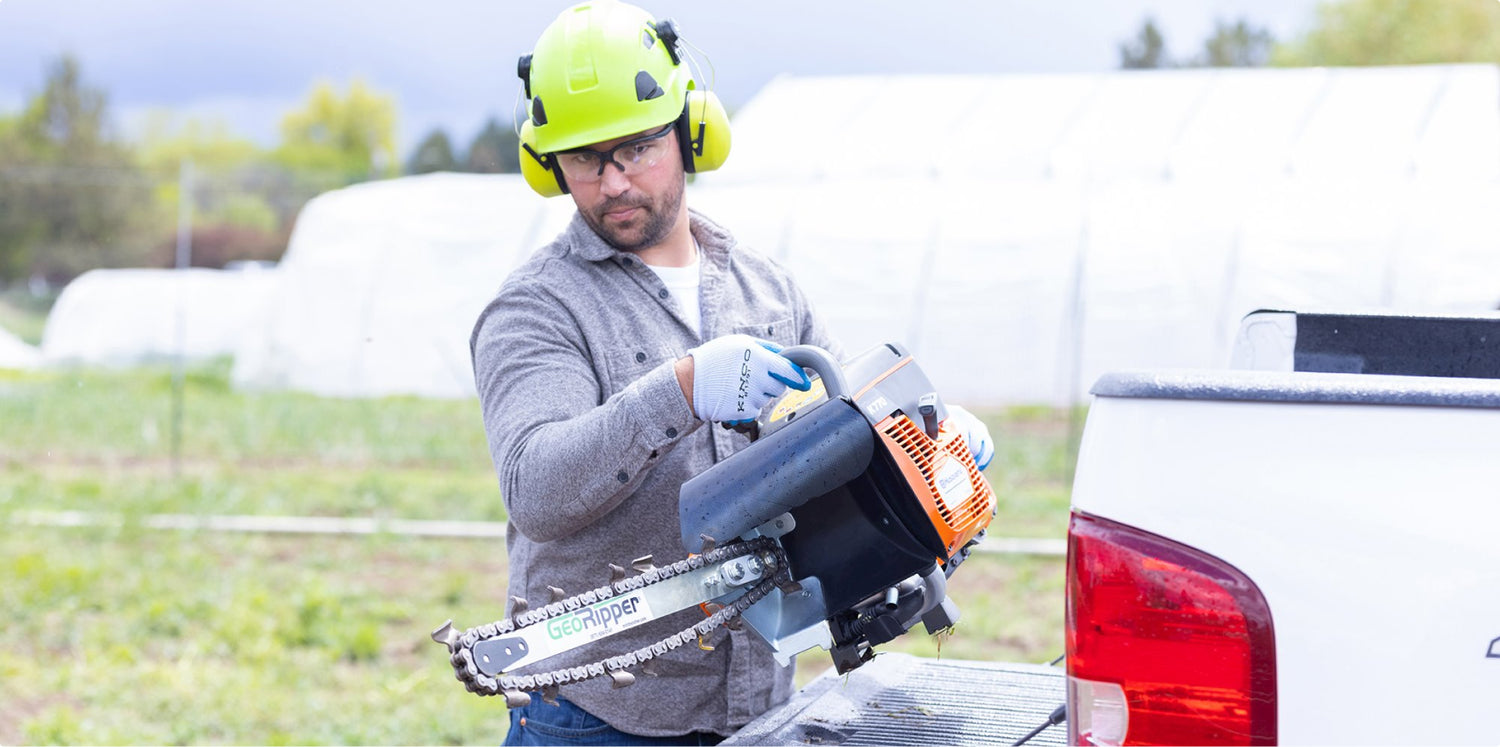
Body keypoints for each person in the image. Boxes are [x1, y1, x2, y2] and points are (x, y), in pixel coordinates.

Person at [470, 2, 991, 744]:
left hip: (758, 702)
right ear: (548, 164)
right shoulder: (537, 309)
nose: (614, 181)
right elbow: (538, 489)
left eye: (636, 148)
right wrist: (679, 389)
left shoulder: (767, 290)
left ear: (689, 131)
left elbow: (846, 448)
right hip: (596, 716)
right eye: (586, 158)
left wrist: (928, 443)